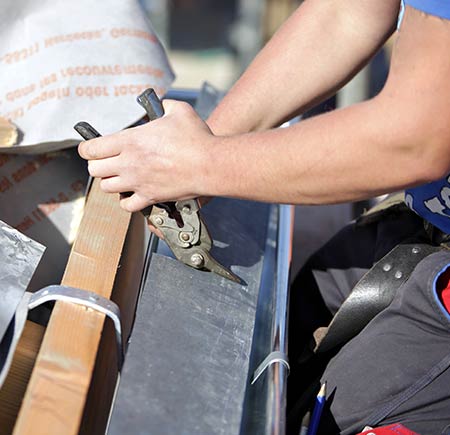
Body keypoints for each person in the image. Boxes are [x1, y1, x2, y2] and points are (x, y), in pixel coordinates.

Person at [78, 1, 450, 433]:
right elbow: (347, 13)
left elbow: (417, 137)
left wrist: (205, 163)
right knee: (299, 346)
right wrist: (203, 152)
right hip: (422, 221)